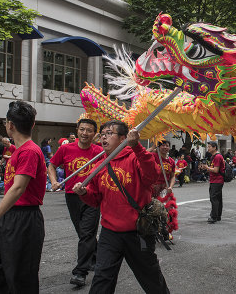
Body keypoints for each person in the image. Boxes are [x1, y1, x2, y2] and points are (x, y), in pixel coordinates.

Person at [72, 120, 170, 294]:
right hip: (110, 233)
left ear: (123, 138)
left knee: (150, 277)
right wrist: (84, 193)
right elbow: (95, 200)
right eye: (102, 134)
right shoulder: (99, 165)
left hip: (138, 231)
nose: (104, 137)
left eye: (109, 133)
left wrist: (137, 147)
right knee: (102, 278)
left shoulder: (135, 157)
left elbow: (153, 176)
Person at [0, 101, 46, 293]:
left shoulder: (30, 151)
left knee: (21, 277)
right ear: (32, 124)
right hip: (10, 215)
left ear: (10, 125)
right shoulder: (19, 151)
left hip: (24, 219)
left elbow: (18, 188)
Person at [48, 118, 103, 287]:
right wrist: (54, 180)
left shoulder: (100, 151)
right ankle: (96, 257)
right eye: (82, 129)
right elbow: (51, 164)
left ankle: (80, 272)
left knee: (86, 233)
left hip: (92, 196)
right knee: (83, 232)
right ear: (77, 131)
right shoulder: (65, 149)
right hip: (72, 196)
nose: (85, 133)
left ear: (94, 134)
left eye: (89, 130)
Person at [202, 141, 225, 224]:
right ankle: (218, 216)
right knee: (218, 198)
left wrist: (207, 167)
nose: (208, 148)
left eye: (209, 147)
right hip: (215, 180)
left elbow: (216, 170)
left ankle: (214, 216)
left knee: (214, 198)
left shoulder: (217, 157)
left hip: (217, 180)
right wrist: (206, 168)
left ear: (214, 147)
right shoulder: (214, 156)